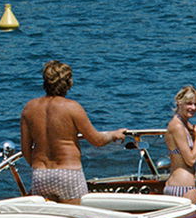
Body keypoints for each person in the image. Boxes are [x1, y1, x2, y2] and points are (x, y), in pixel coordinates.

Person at [19, 60, 129, 204]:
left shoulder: (29, 108)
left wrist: (38, 167)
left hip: (41, 173)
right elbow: (96, 140)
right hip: (68, 173)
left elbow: (26, 149)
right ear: (68, 82)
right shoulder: (72, 107)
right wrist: (114, 135)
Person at [162, 86, 196, 198]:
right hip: (184, 188)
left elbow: (194, 129)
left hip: (176, 185)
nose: (193, 107)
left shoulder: (182, 123)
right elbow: (190, 160)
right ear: (179, 103)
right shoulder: (177, 126)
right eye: (189, 103)